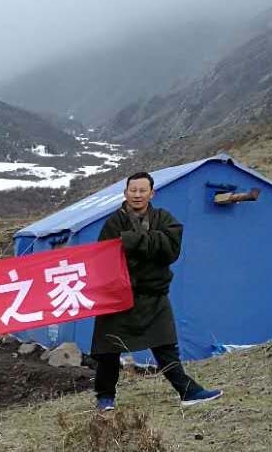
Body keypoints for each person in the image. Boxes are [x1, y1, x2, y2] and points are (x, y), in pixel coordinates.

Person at [91, 172, 223, 411]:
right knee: (108, 350)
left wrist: (131, 242)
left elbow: (170, 250)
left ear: (152, 193)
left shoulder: (164, 218)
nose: (137, 195)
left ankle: (188, 391)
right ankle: (105, 398)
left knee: (166, 347)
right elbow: (105, 257)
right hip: (119, 297)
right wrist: (149, 245)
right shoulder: (113, 223)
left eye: (143, 190)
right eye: (133, 190)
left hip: (154, 296)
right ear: (125, 193)